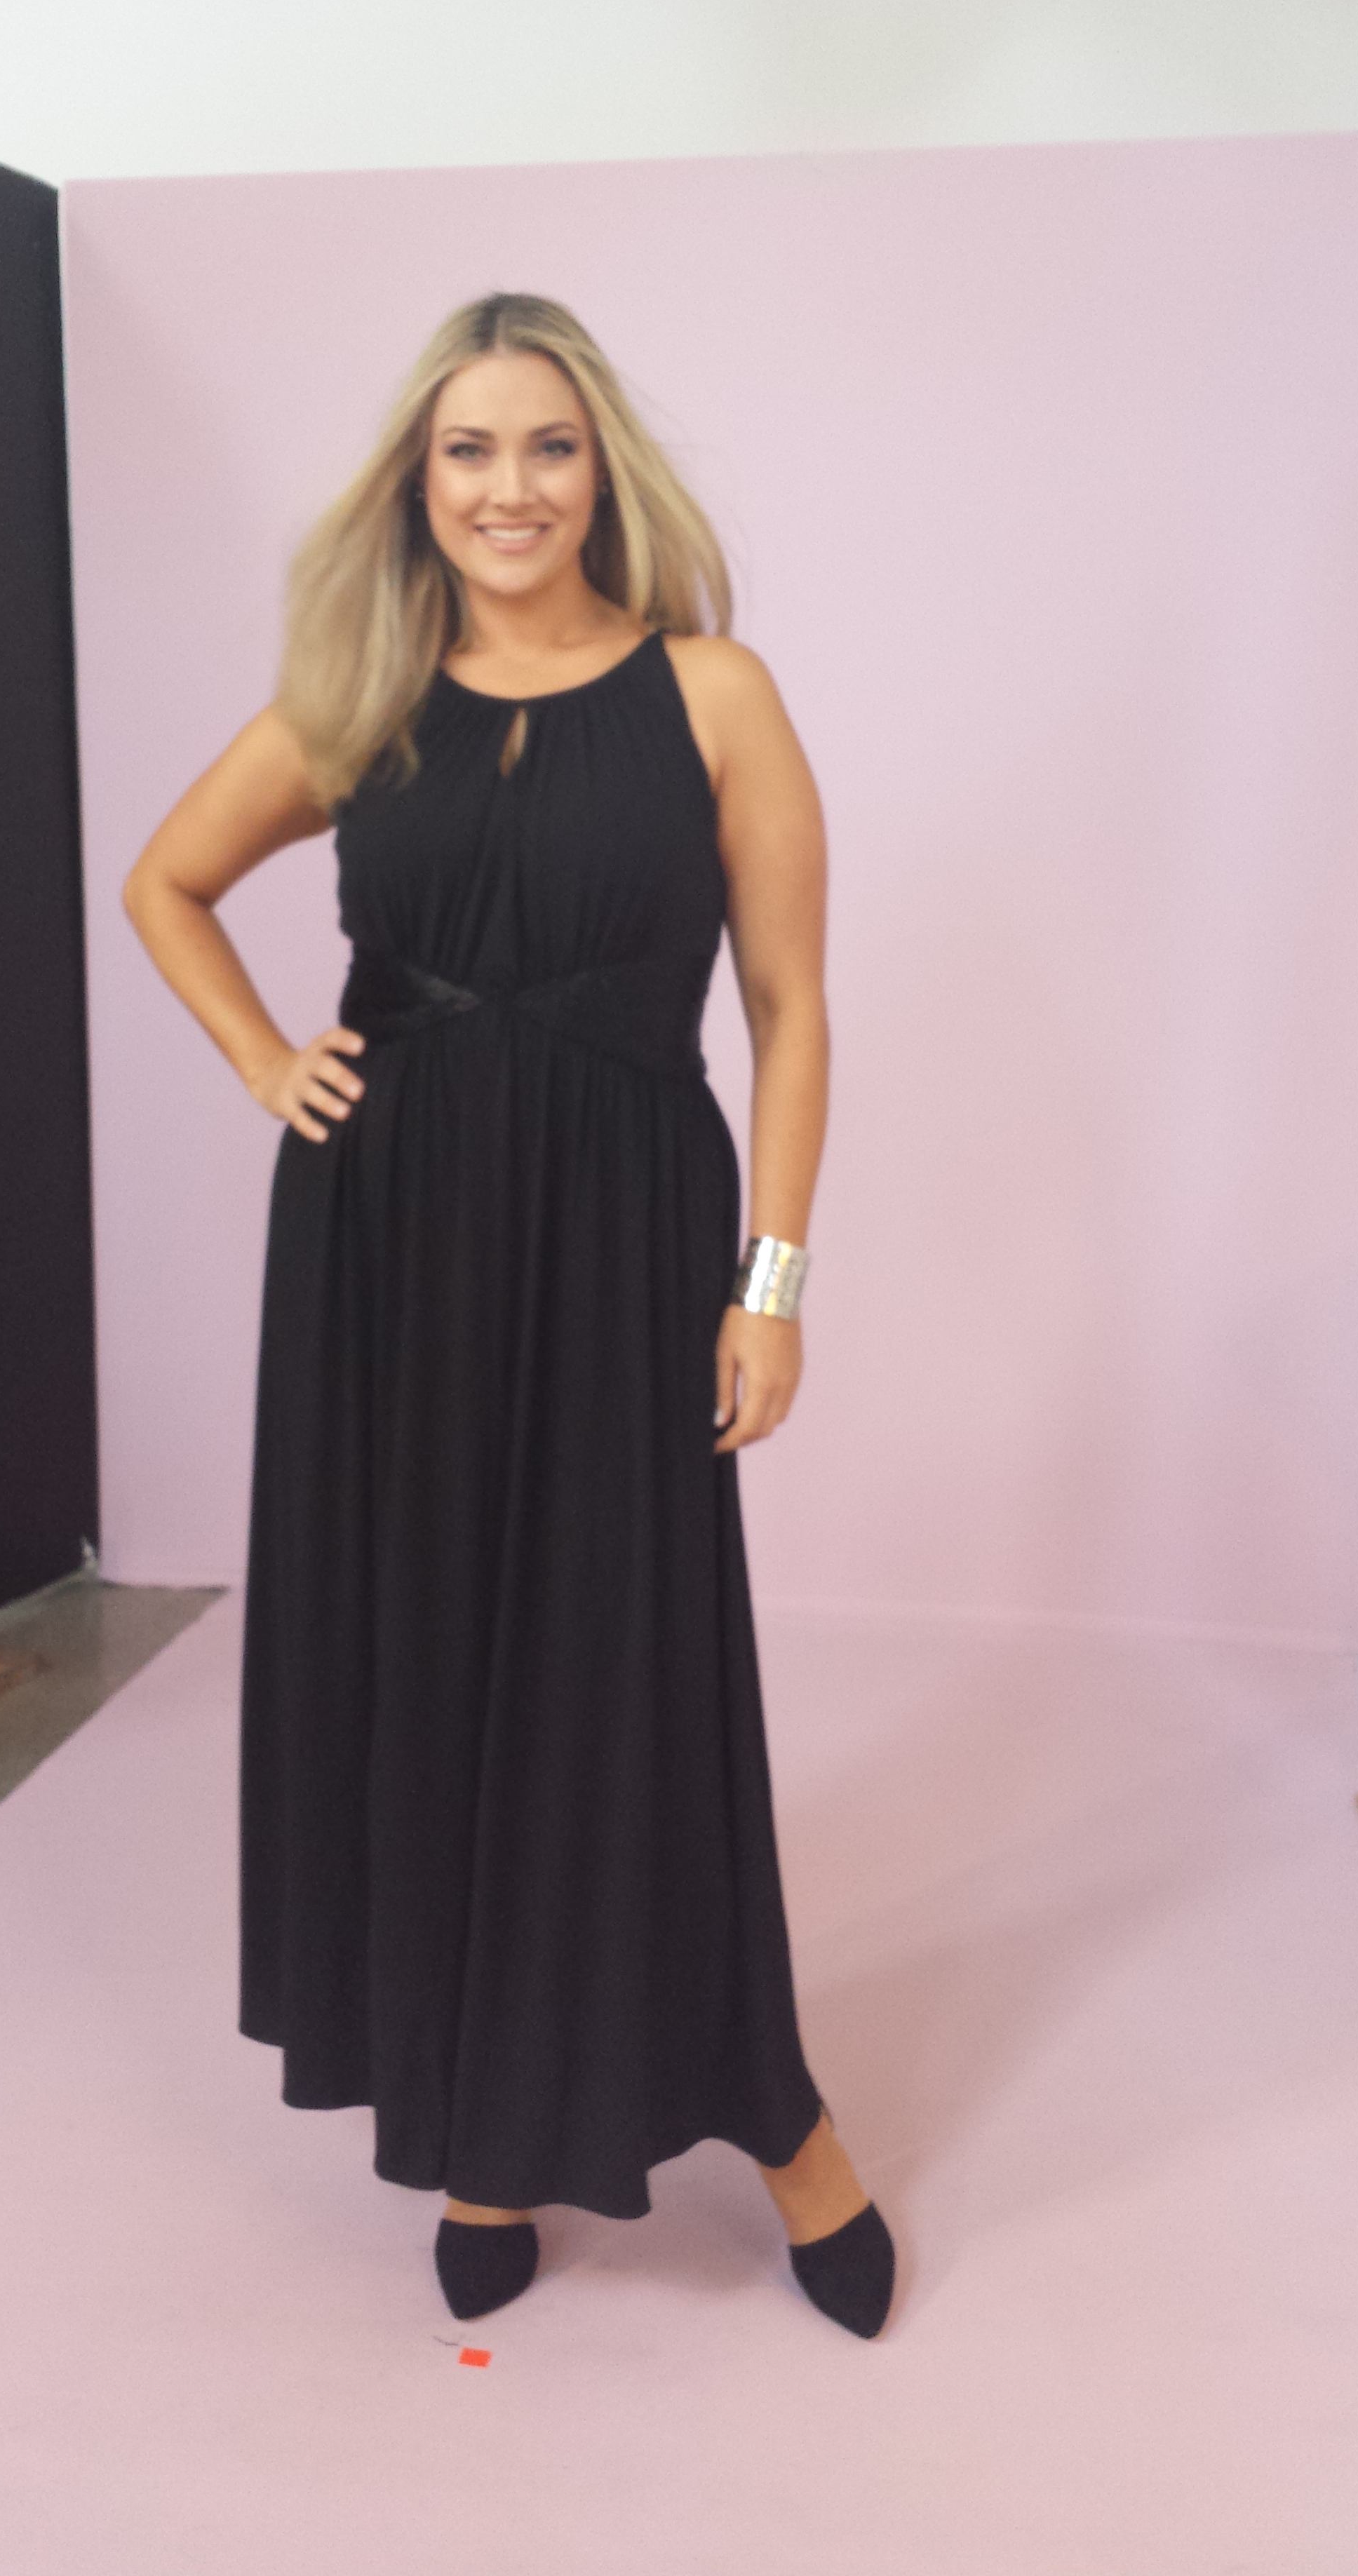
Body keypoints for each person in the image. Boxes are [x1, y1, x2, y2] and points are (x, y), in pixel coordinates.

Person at [124, 292, 894, 2338]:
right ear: (419, 482)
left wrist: (775, 1285)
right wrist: (267, 1057)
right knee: (435, 1657)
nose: (509, 488)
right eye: (468, 450)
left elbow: (794, 1008)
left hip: (632, 1235)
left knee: (631, 1672)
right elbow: (167, 881)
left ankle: (782, 2119)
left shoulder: (714, 693)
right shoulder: (362, 702)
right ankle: (481, 2129)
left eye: (546, 446)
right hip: (388, 1247)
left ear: (601, 468)